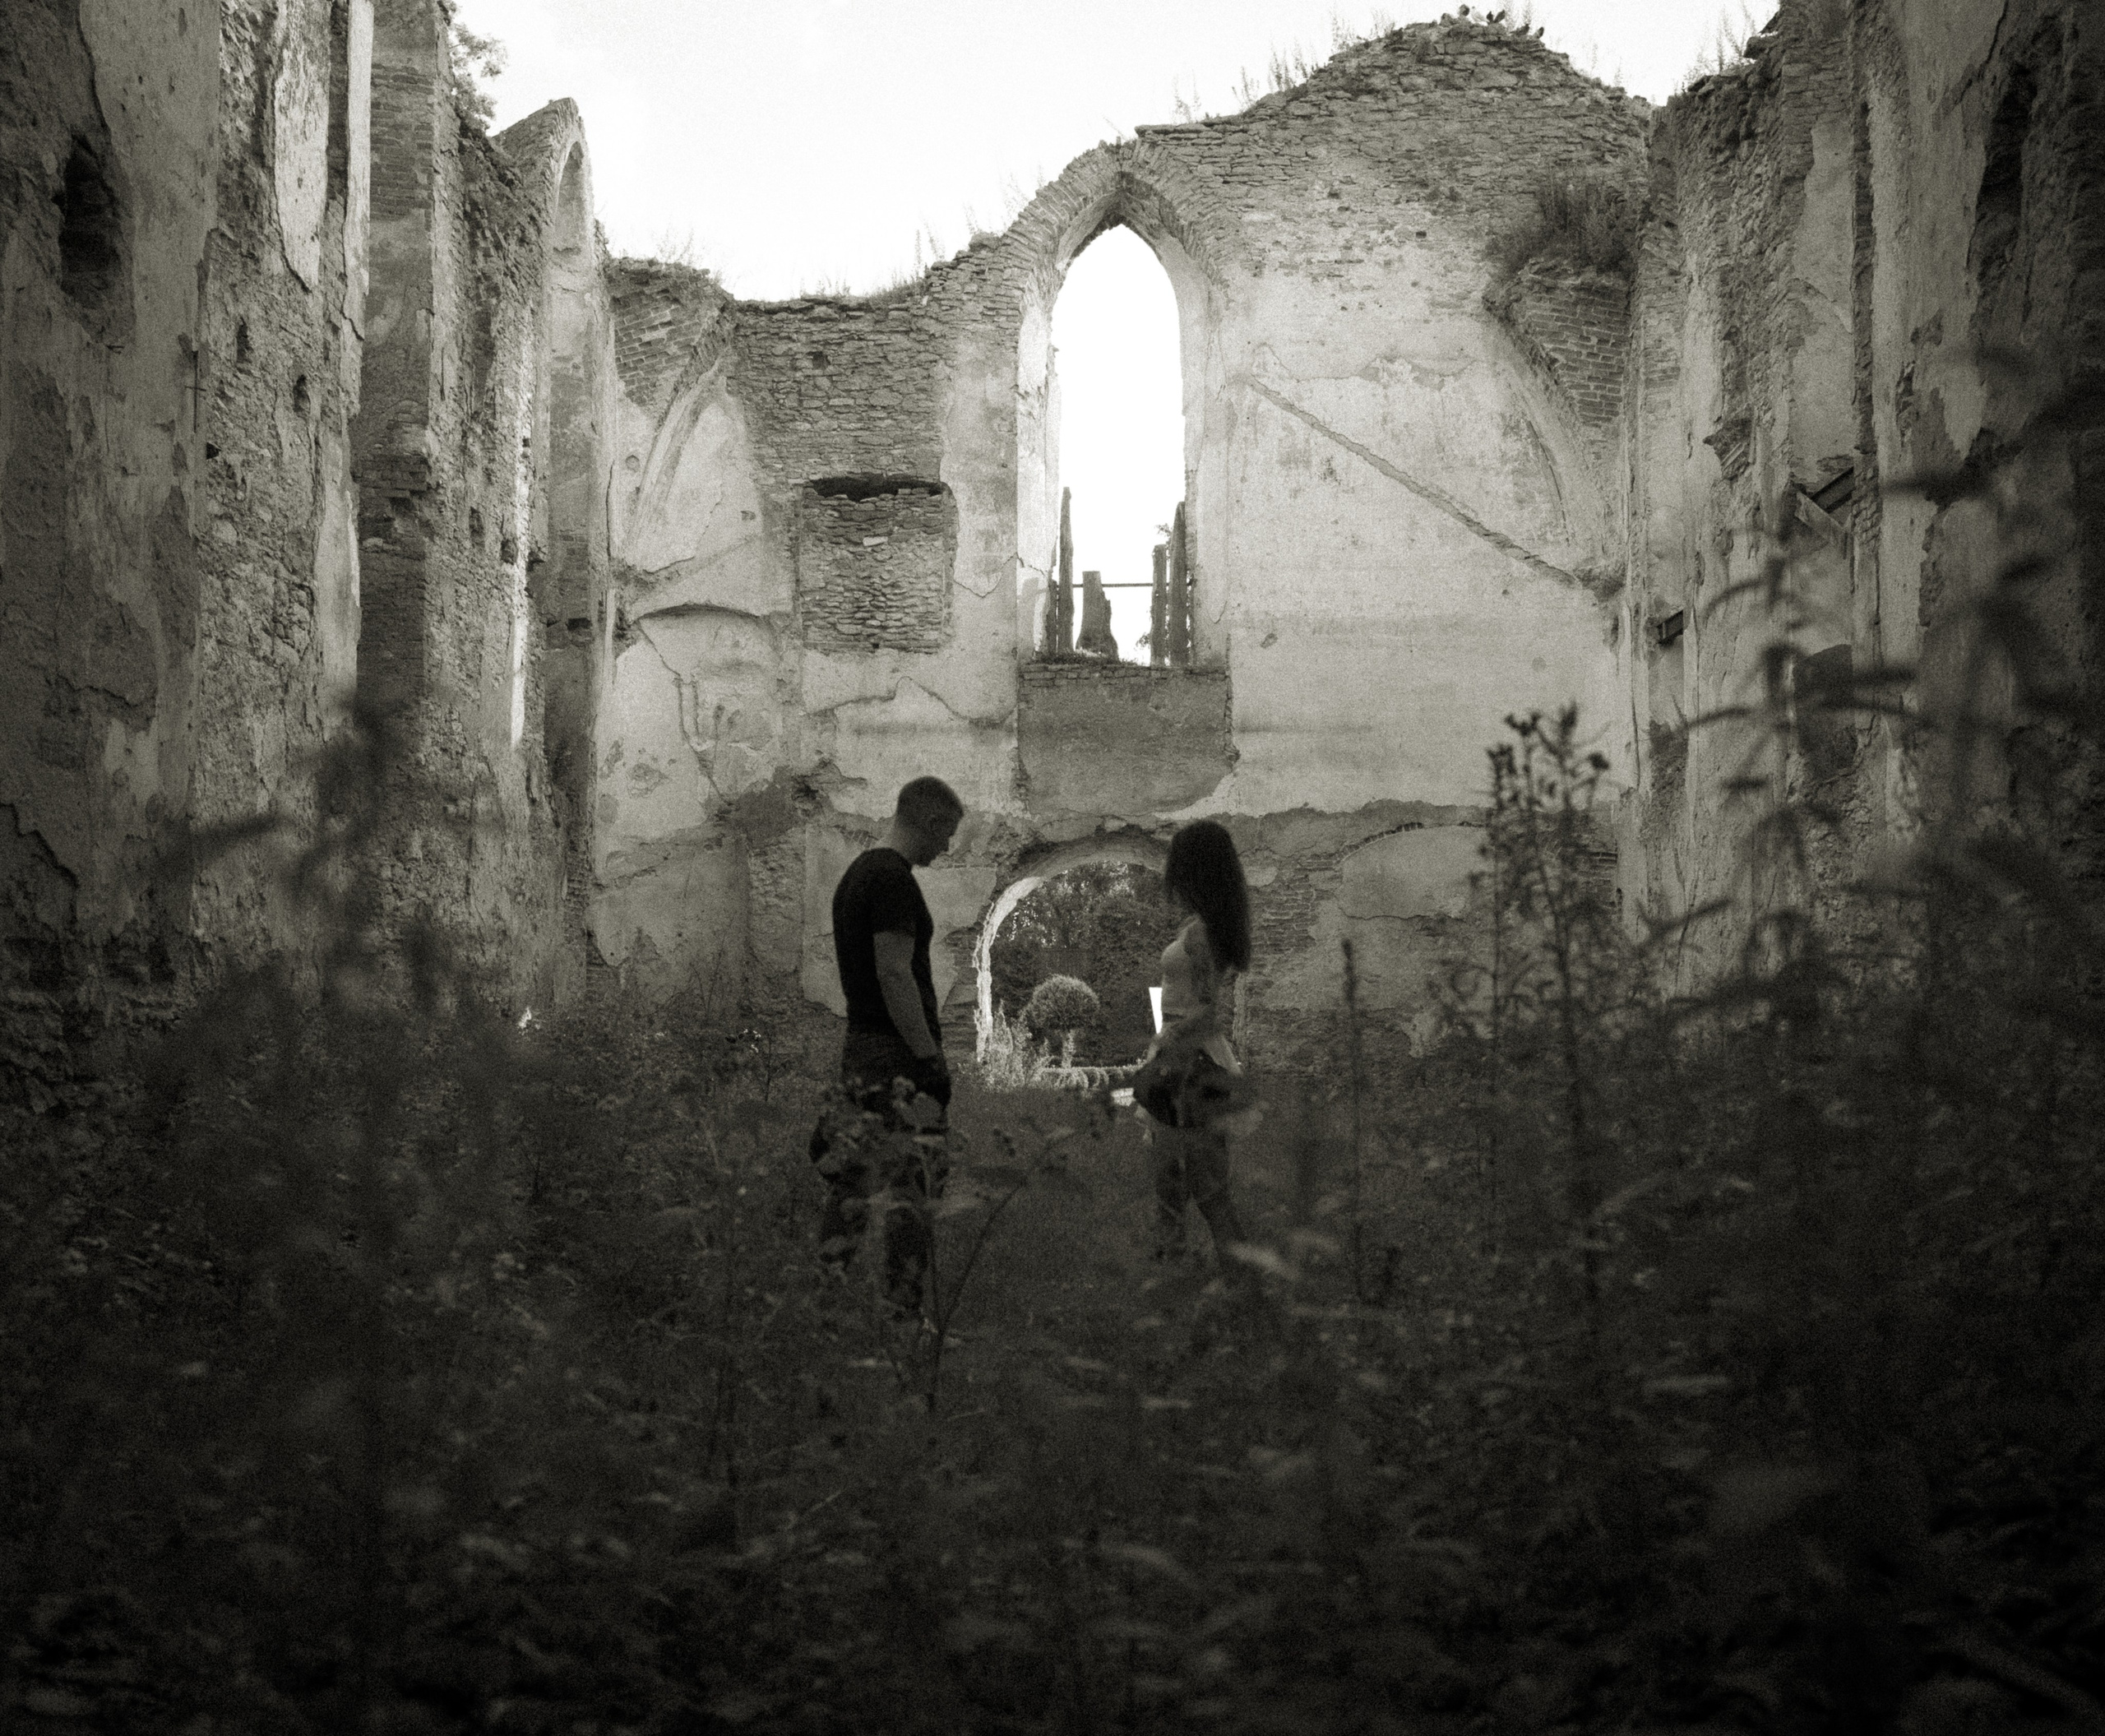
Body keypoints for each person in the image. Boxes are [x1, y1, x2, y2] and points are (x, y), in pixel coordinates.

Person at [810, 775, 965, 1316]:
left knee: (855, 1180)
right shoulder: (893, 880)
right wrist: (928, 1059)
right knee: (912, 1186)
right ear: (930, 821)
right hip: (895, 1055)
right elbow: (895, 974)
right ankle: (904, 1315)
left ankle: (825, 1298)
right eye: (947, 834)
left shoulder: (857, 873)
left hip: (863, 1046)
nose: (947, 847)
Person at [1136, 819, 1252, 1264]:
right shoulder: (1199, 925)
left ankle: (1238, 1268)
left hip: (1192, 1062)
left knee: (1206, 1183)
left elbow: (1210, 1010)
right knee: (1168, 1172)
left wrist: (1172, 1039)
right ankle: (1173, 1256)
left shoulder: (1203, 933)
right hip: (1178, 1057)